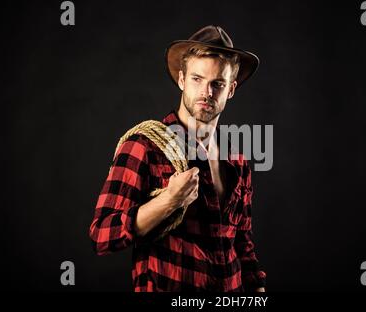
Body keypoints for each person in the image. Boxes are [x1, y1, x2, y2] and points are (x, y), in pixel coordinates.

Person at [89, 25, 266, 292]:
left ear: (231, 89)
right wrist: (169, 201)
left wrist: (257, 290)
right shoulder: (145, 147)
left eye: (217, 83)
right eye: (197, 79)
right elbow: (101, 235)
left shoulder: (238, 162)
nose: (207, 92)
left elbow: (242, 244)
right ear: (182, 80)